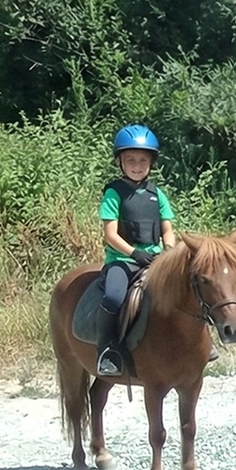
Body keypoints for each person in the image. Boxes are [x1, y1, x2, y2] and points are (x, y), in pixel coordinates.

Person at [96, 124, 179, 377]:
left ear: (151, 163)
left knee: (187, 289)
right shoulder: (114, 193)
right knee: (113, 297)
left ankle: (198, 344)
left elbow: (167, 229)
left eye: (143, 160)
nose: (137, 165)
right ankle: (108, 350)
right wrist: (134, 253)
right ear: (120, 161)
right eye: (130, 159)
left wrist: (169, 252)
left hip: (155, 259)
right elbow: (110, 234)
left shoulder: (157, 194)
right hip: (123, 260)